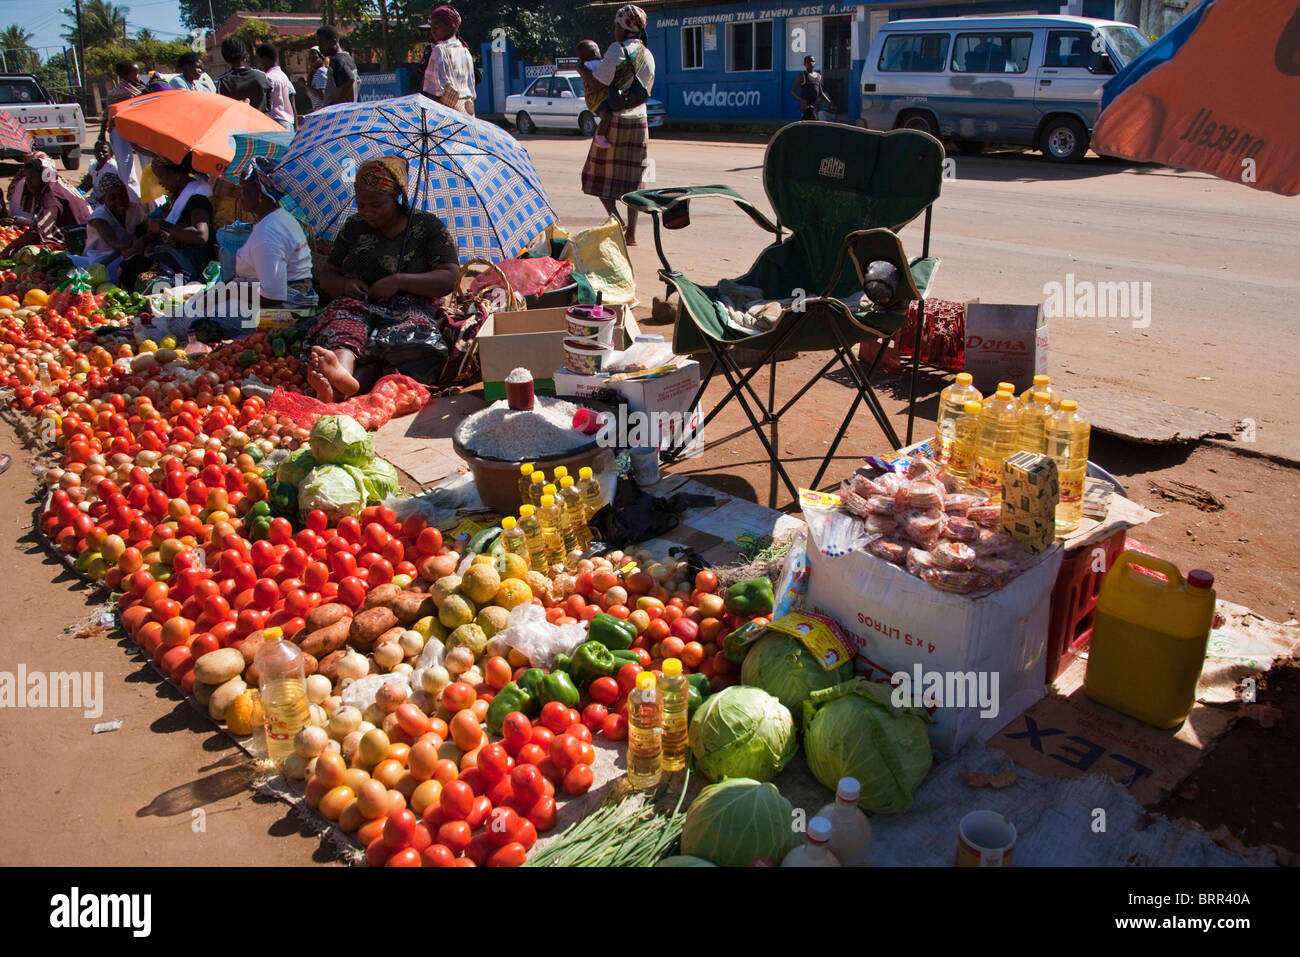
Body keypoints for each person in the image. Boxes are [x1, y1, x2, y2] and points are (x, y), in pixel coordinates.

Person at [302, 156, 460, 402]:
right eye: (361, 205)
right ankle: (341, 374)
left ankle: (346, 388)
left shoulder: (427, 226)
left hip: (411, 309)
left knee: (409, 346)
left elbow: (450, 277)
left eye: (376, 205)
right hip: (359, 306)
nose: (367, 212)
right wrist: (345, 285)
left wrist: (399, 281)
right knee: (345, 327)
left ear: (396, 197)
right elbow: (327, 275)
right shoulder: (354, 227)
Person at [577, 4, 655, 246]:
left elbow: (598, 81)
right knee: (634, 180)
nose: (614, 30)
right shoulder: (648, 54)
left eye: (616, 25)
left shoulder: (617, 49)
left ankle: (616, 220)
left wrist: (581, 70)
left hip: (616, 120)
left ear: (624, 28)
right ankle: (631, 233)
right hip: (640, 122)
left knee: (595, 176)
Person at [118, 155, 214, 290]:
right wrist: (144, 240)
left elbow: (200, 235)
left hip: (189, 262)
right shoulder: (177, 197)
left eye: (161, 177)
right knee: (126, 269)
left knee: (146, 283)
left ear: (175, 174)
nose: (160, 183)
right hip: (172, 256)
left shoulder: (197, 198)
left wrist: (164, 226)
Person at [235, 159, 314, 307]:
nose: (241, 196)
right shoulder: (273, 219)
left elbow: (273, 296)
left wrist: (231, 291)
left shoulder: (269, 232)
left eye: (245, 189)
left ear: (260, 194)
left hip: (283, 309)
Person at [1, 152, 90, 255]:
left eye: (31, 178)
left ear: (42, 176)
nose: (28, 183)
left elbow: (36, 231)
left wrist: (9, 248)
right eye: (27, 178)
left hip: (81, 239)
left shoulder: (50, 195)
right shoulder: (56, 182)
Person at [75, 172, 144, 280]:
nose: (119, 201)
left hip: (129, 254)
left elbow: (141, 232)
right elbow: (115, 244)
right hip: (102, 259)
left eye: (122, 195)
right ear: (103, 199)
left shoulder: (134, 208)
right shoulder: (99, 217)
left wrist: (144, 240)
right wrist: (138, 244)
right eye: (112, 198)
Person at [421, 6, 475, 115]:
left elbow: (432, 92)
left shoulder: (439, 50)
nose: (433, 30)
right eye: (432, 26)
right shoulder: (465, 52)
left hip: (446, 115)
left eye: (438, 25)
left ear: (451, 27)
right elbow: (471, 89)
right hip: (467, 112)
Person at [216, 37, 272, 113]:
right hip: (261, 122)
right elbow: (269, 106)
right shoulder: (261, 76)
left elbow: (221, 108)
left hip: (236, 123)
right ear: (245, 56)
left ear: (225, 58)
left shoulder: (223, 81)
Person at [576, 39, 613, 148]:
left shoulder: (587, 65)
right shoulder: (592, 65)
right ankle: (600, 136)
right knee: (606, 115)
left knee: (609, 114)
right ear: (593, 53)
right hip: (596, 99)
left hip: (598, 97)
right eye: (598, 50)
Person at [256, 43, 297, 130]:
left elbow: (265, 103)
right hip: (288, 122)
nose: (258, 63)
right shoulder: (283, 76)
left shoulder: (268, 78)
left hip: (276, 122)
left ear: (264, 59)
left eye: (259, 60)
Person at [316, 26, 359, 106]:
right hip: (348, 110)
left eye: (322, 43)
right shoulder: (348, 58)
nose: (319, 47)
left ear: (333, 41)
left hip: (339, 114)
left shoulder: (337, 60)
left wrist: (336, 104)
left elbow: (350, 80)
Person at [793, 55, 829, 121]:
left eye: (813, 61)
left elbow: (821, 93)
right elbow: (793, 90)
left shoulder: (818, 76)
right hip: (807, 107)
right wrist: (802, 99)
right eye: (809, 62)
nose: (811, 63)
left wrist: (829, 103)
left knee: (810, 124)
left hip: (815, 106)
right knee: (812, 121)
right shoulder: (802, 75)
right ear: (805, 64)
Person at [306, 47, 329, 111]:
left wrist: (304, 85)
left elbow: (322, 96)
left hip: (322, 110)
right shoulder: (316, 72)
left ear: (322, 58)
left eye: (314, 57)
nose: (311, 60)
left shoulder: (321, 72)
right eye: (310, 58)